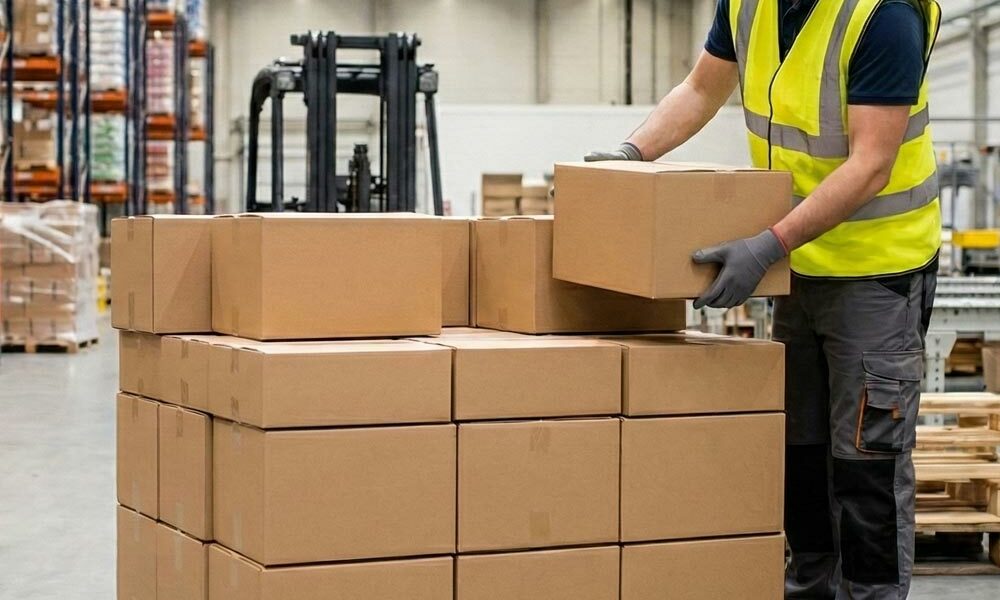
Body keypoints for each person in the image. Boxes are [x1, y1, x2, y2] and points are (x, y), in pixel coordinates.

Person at [587, 1, 942, 598]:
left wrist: (767, 245)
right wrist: (631, 154)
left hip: (877, 270)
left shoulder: (884, 15)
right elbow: (702, 88)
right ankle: (811, 588)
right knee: (800, 453)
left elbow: (872, 164)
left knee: (866, 466)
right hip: (798, 265)